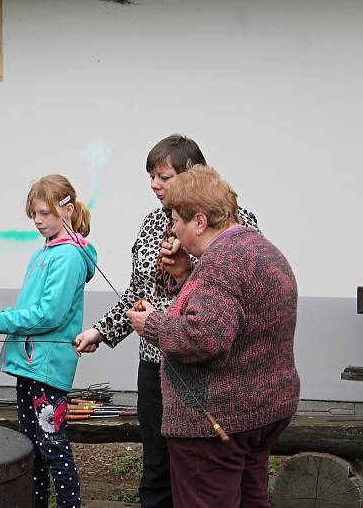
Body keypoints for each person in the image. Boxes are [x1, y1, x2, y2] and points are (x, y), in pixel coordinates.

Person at [75, 135, 258, 508]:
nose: (154, 185)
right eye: (151, 177)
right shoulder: (151, 224)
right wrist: (101, 330)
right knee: (156, 462)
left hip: (203, 367)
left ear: (193, 177)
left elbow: (236, 288)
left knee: (203, 465)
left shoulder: (236, 223)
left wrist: (187, 269)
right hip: (154, 361)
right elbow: (136, 293)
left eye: (164, 176)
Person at [125, 165, 299, 507]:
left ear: (200, 222)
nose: (172, 227)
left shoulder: (220, 263)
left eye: (176, 219)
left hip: (216, 422)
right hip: (262, 412)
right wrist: (188, 273)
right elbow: (237, 313)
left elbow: (206, 337)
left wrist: (152, 324)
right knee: (250, 498)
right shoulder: (259, 248)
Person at [0, 174, 96, 508]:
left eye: (44, 213)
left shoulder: (68, 256)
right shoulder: (46, 251)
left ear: (67, 210)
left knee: (53, 448)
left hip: (47, 368)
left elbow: (48, 315)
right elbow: (32, 308)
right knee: (31, 447)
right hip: (30, 365)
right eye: (34, 215)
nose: (38, 221)